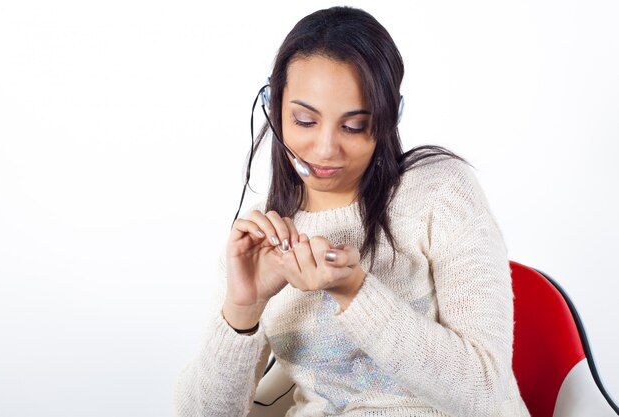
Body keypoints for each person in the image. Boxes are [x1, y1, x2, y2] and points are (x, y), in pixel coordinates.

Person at [174, 6, 530, 417]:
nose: (325, 149)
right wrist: (242, 309)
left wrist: (355, 292)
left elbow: (484, 392)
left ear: (389, 117)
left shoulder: (440, 192)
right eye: (305, 120)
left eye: (354, 126)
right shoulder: (261, 238)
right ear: (275, 109)